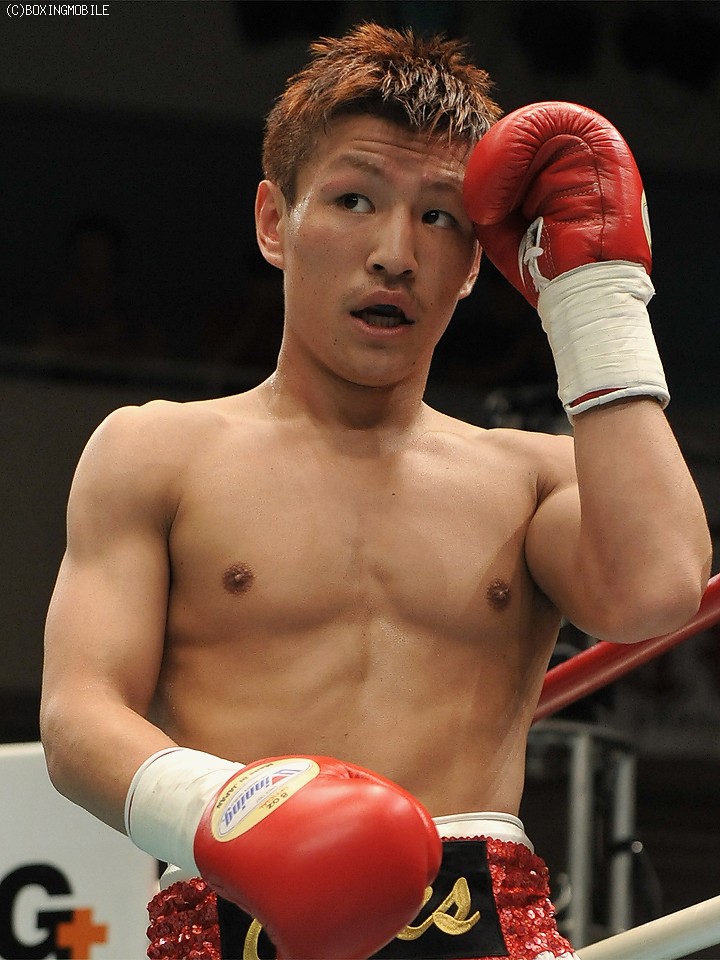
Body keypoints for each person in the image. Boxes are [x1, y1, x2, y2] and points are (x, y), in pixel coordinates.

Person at [40, 22, 711, 960]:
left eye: (440, 217)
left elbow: (661, 588)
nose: (396, 252)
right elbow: (78, 716)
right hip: (230, 916)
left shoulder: (530, 479)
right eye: (355, 199)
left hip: (483, 925)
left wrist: (593, 300)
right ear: (274, 221)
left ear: (476, 262)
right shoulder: (156, 451)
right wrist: (231, 812)